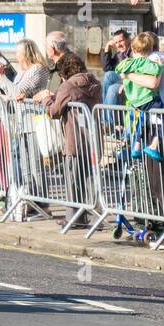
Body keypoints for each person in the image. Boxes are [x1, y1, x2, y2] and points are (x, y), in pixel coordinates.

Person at [44, 47, 102, 226]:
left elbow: (53, 112)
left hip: (74, 138)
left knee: (73, 179)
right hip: (93, 138)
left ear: (64, 71)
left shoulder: (68, 85)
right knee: (91, 178)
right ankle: (95, 218)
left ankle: (74, 218)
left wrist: (47, 99)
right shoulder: (95, 82)